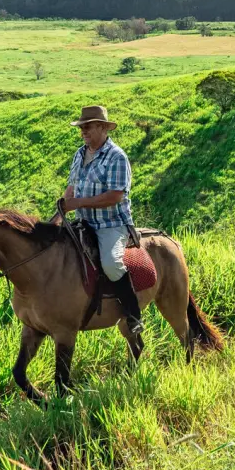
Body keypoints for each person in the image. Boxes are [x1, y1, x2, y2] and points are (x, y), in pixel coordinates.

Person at [61, 105, 143, 336]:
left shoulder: (117, 156)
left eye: (88, 127)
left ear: (103, 127)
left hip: (111, 224)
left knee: (111, 263)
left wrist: (79, 203)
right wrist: (60, 214)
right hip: (83, 222)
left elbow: (115, 196)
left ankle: (132, 314)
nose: (83, 131)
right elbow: (72, 187)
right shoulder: (80, 153)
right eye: (81, 127)